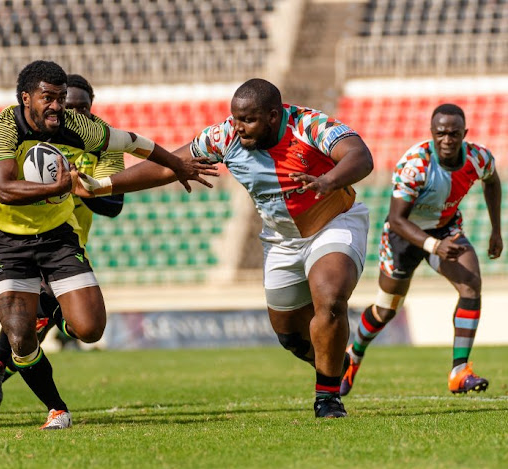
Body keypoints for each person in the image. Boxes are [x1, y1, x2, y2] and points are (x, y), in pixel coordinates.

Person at [0, 60, 215, 429]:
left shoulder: (84, 131)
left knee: (86, 329)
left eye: (69, 101)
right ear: (27, 98)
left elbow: (128, 163)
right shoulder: (3, 129)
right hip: (10, 240)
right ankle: (51, 406)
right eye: (53, 99)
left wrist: (175, 165)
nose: (63, 108)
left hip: (60, 235)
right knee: (21, 334)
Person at [78, 78, 374, 418]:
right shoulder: (224, 137)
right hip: (281, 242)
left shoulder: (309, 125)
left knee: (331, 296)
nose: (239, 127)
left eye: (248, 120)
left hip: (334, 223)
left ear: (274, 117)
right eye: (235, 118)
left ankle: (327, 398)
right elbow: (168, 164)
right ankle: (337, 362)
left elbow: (360, 156)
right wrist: (100, 186)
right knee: (290, 336)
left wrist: (330, 180)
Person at [0, 74, 126, 422]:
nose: (73, 113)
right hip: (17, 239)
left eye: (81, 107)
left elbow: (114, 204)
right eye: (67, 106)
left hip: (66, 241)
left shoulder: (100, 143)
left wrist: (77, 187)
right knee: (27, 329)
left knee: (46, 328)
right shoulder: (23, 132)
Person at [341, 103, 501, 396]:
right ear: (432, 133)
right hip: (403, 237)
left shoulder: (479, 158)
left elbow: (492, 182)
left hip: (445, 229)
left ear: (464, 133)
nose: (448, 140)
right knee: (386, 310)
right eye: (441, 133)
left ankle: (459, 371)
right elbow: (398, 220)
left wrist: (496, 230)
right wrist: (433, 246)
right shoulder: (416, 164)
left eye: (454, 133)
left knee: (471, 285)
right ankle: (354, 354)